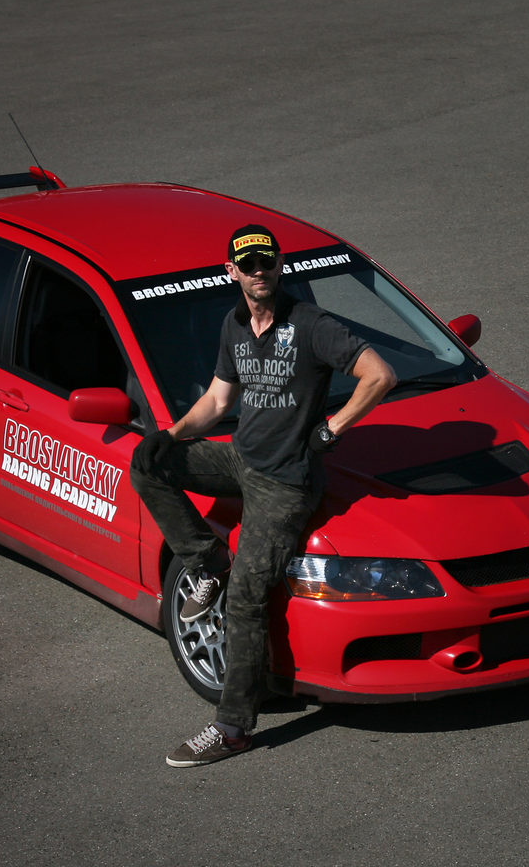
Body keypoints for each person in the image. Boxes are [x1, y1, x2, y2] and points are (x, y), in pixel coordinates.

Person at [131, 223, 397, 767]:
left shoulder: (311, 325)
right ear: (231, 271)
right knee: (145, 465)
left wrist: (331, 430)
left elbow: (380, 374)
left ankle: (232, 728)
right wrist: (171, 436)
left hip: (284, 483)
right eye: (247, 265)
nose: (258, 273)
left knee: (249, 597)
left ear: (281, 266)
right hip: (239, 458)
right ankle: (206, 564)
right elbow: (218, 401)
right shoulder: (234, 325)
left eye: (266, 263)